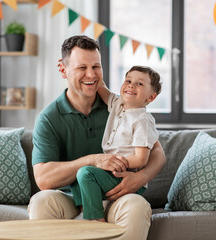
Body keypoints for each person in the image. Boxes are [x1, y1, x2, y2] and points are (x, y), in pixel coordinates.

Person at [28, 35, 166, 240]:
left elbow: (158, 155)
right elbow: (44, 179)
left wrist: (140, 178)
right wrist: (93, 160)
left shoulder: (121, 107)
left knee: (137, 205)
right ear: (62, 68)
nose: (91, 75)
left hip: (116, 196)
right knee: (41, 201)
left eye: (96, 66)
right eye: (82, 68)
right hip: (71, 199)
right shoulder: (49, 118)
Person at [72, 65, 162, 222]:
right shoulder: (117, 104)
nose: (131, 85)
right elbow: (100, 85)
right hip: (111, 172)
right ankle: (86, 208)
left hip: (125, 175)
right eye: (128, 80)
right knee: (73, 174)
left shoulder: (142, 120)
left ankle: (96, 220)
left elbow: (141, 159)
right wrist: (89, 67)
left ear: (150, 98)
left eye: (139, 84)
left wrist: (110, 163)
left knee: (85, 173)